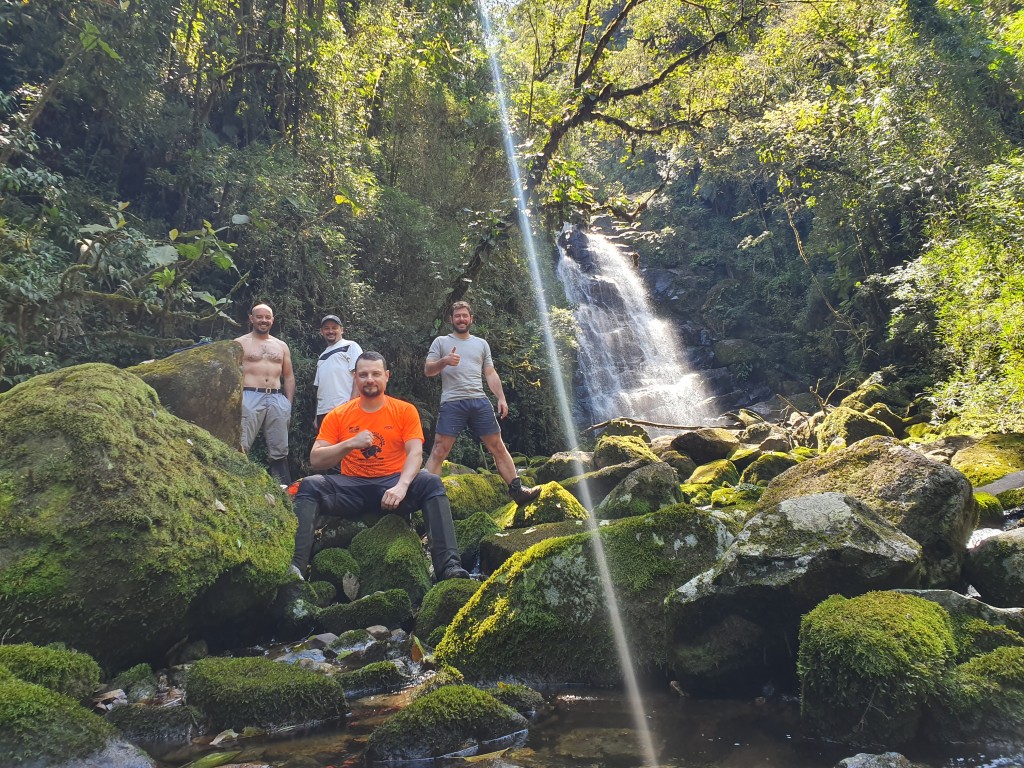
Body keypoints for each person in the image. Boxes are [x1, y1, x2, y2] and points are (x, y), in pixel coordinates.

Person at [290, 351, 470, 581]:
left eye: (376, 374)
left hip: (393, 485)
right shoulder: (339, 415)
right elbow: (316, 460)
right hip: (352, 487)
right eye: (363, 374)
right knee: (310, 486)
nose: (370, 379)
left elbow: (415, 453)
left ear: (386, 376)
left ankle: (449, 567)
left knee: (431, 482)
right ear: (355, 378)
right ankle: (295, 568)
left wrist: (402, 486)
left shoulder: (404, 410)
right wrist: (350, 444)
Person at [424, 301, 540, 504]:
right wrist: (444, 361)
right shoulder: (441, 342)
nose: (461, 319)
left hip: (479, 400)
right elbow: (428, 371)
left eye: (464, 316)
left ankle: (517, 490)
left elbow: (490, 373)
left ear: (471, 319)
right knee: (440, 449)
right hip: (452, 402)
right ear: (451, 319)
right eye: (457, 316)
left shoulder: (481, 344)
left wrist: (501, 398)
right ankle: (424, 496)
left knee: (497, 446)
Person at [236, 303, 295, 485]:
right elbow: (232, 373)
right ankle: (238, 482)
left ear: (272, 320)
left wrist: (288, 402)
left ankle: (282, 487)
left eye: (267, 317)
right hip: (249, 394)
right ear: (251, 319)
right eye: (259, 317)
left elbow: (289, 375)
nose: (263, 320)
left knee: (280, 446)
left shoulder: (281, 345)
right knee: (242, 442)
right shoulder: (239, 343)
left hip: (277, 397)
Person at [314, 314, 362, 430]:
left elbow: (360, 375)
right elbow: (319, 388)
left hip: (344, 409)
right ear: (321, 331)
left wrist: (352, 405)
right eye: (326, 328)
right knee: (327, 448)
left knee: (347, 446)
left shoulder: (351, 346)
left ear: (341, 330)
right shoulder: (322, 356)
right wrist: (316, 415)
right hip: (323, 413)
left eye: (334, 327)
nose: (330, 331)